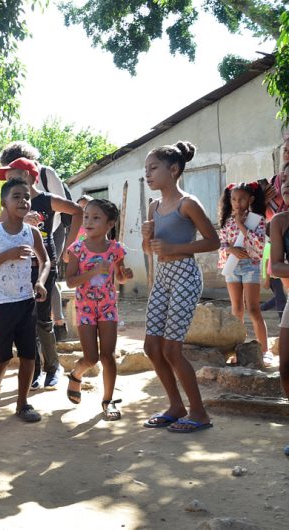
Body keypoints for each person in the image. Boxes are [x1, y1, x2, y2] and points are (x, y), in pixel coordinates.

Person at [141, 141, 219, 433]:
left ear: (173, 169)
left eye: (153, 168)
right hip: (163, 276)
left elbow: (213, 241)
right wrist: (146, 236)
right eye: (146, 169)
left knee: (172, 349)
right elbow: (150, 250)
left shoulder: (188, 203)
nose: (148, 174)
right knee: (151, 347)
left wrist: (175, 247)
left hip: (185, 274)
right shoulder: (154, 206)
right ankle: (176, 407)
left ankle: (200, 413)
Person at [0, 145, 84, 390]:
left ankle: (52, 368)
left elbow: (77, 211)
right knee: (26, 322)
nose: (7, 182)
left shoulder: (46, 200)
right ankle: (33, 370)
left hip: (44, 267)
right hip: (19, 269)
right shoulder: (9, 203)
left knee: (43, 320)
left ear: (25, 176)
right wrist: (20, 220)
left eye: (11, 176)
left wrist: (70, 247)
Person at [0, 177, 50, 422]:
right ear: (3, 203)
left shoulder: (32, 232)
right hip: (0, 304)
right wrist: (9, 254)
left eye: (26, 197)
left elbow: (46, 261)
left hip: (26, 302)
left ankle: (23, 403)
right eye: (16, 196)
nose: (23, 201)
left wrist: (40, 281)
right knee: (2, 357)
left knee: (29, 355)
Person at [64, 199, 133, 420]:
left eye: (96, 218)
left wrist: (125, 276)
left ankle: (108, 401)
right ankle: (76, 374)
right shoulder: (77, 249)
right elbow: (70, 281)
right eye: (86, 217)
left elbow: (119, 277)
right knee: (91, 358)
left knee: (108, 356)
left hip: (108, 307)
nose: (88, 221)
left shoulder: (116, 249)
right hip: (85, 308)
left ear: (110, 224)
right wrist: (93, 272)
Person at [216, 182, 269, 365]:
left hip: (250, 266)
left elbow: (259, 245)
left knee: (253, 309)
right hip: (232, 266)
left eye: (242, 199)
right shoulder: (226, 221)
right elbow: (222, 244)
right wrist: (230, 249)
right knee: (236, 309)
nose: (237, 203)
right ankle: (236, 351)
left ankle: (264, 350)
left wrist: (241, 224)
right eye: (234, 199)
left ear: (250, 200)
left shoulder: (257, 220)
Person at [266, 162, 289, 455]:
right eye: (284, 180)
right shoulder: (280, 221)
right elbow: (276, 267)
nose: (287, 184)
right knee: (285, 367)